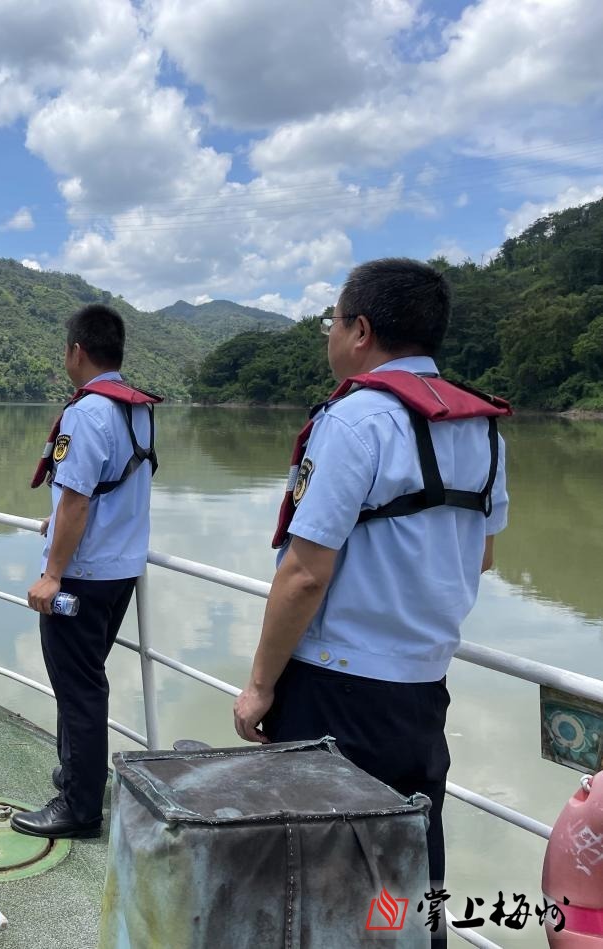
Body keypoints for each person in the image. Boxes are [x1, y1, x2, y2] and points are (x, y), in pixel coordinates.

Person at [232, 258, 510, 895]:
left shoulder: (354, 420)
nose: (328, 336)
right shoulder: (484, 429)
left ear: (360, 330)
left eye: (331, 323)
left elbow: (305, 574)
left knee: (319, 875)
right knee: (406, 868)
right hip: (423, 690)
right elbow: (482, 556)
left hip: (336, 687)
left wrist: (259, 686)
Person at [11, 304, 160, 840]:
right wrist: (57, 521)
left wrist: (52, 573)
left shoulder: (87, 413)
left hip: (82, 575)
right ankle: (80, 775)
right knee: (86, 681)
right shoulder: (135, 409)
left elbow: (77, 499)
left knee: (78, 690)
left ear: (76, 351)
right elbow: (107, 487)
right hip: (119, 571)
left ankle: (79, 808)